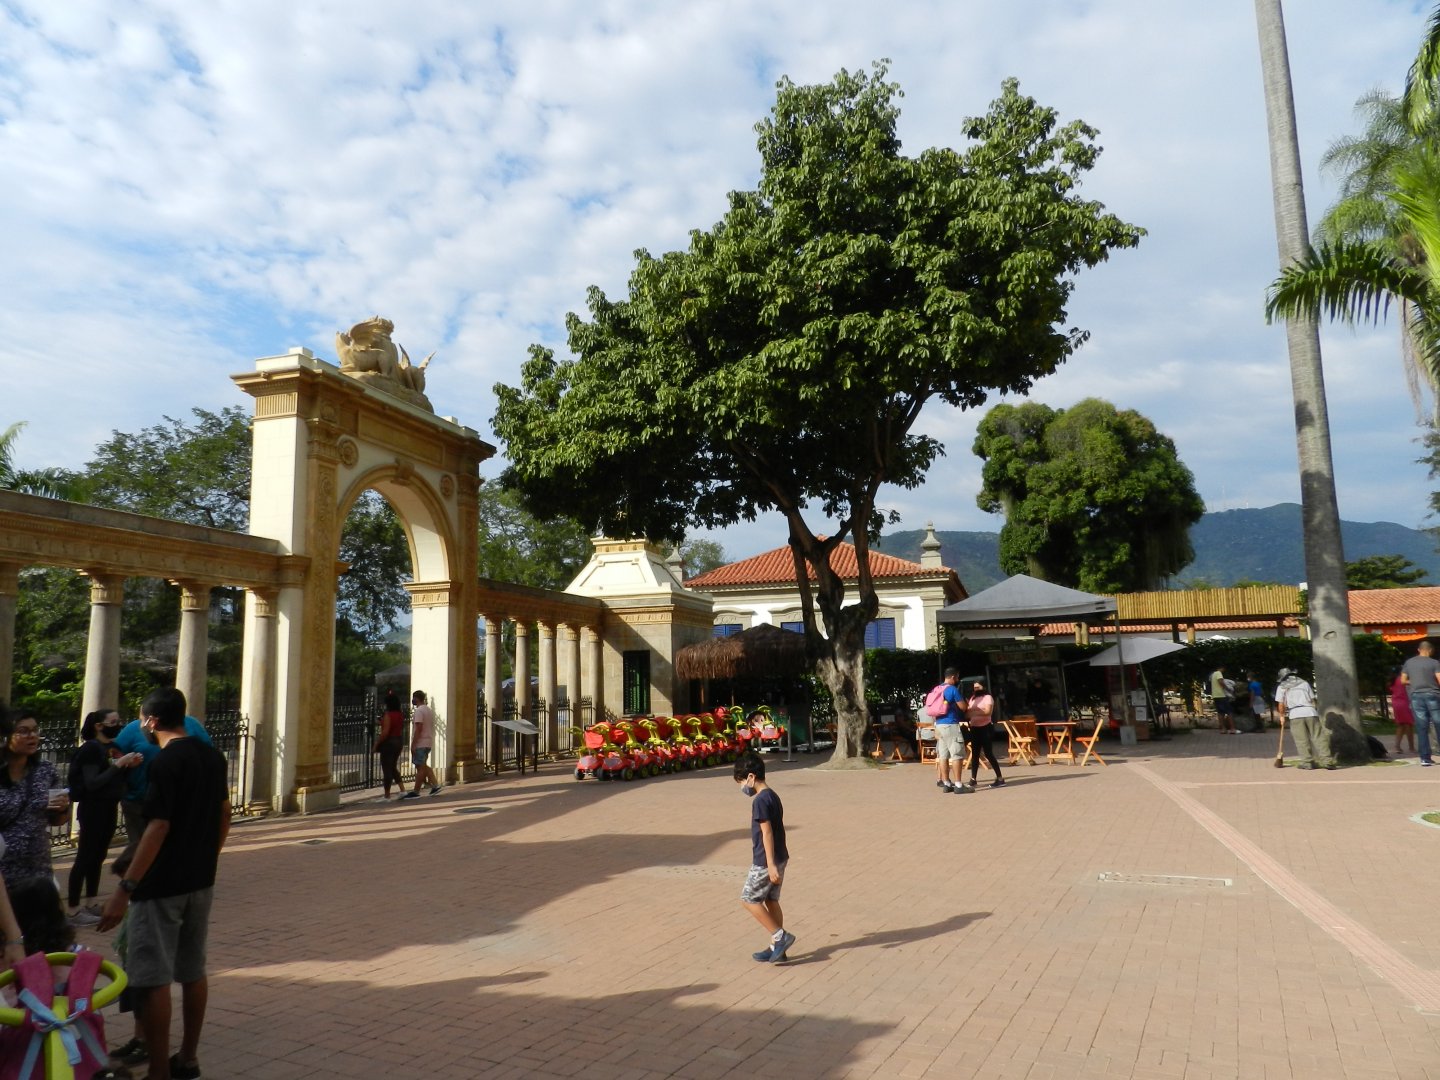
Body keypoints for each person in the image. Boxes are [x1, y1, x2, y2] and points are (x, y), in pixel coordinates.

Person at [98, 687, 230, 1080]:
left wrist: (125, 889)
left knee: (152, 977)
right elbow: (224, 813)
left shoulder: (165, 763)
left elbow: (157, 826)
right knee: (192, 970)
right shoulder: (213, 756)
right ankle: (187, 1057)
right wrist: (210, 856)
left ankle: (158, 1069)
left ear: (150, 721)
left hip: (161, 884)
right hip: (200, 879)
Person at [111, 709, 212, 876]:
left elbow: (207, 756)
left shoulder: (191, 725)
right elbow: (114, 758)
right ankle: (138, 885)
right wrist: (126, 763)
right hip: (139, 801)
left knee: (171, 846)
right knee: (140, 847)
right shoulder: (132, 729)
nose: (143, 723)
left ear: (152, 719)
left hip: (179, 802)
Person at [67, 709, 142, 926]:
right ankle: (73, 909)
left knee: (98, 856)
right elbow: (92, 783)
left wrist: (128, 765)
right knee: (85, 857)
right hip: (92, 809)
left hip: (109, 806)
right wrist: (119, 765)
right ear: (99, 726)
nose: (117, 725)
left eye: (118, 721)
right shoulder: (91, 749)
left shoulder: (113, 748)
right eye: (113, 722)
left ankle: (91, 903)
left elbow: (115, 776)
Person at [733, 749, 795, 964]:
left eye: (741, 782)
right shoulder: (773, 795)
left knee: (748, 899)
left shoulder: (759, 800)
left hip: (765, 860)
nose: (742, 787)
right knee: (771, 899)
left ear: (751, 777)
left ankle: (780, 937)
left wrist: (769, 864)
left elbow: (766, 832)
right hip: (780, 856)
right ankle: (777, 947)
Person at [0, 711, 70, 887]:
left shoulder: (45, 770)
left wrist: (62, 808)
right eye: (23, 731)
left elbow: (58, 821)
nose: (32, 735)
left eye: (35, 730)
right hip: (3, 873)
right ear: (5, 737)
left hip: (38, 871)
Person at [1275, 668, 1329, 770]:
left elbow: (1281, 704)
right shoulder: (1304, 683)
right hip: (1310, 711)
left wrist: (1282, 716)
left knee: (1301, 740)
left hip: (1295, 714)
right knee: (1318, 737)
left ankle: (1307, 762)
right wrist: (1315, 711)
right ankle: (1328, 760)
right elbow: (1312, 700)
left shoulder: (1282, 687)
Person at [1402, 640, 1440, 766]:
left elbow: (1403, 680)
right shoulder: (1435, 663)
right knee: (1438, 723)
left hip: (1416, 696)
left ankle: (1425, 758)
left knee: (1422, 727)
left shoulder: (1409, 662)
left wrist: (1414, 682)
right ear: (1430, 650)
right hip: (1433, 694)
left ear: (1419, 650)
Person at [964, 679, 1005, 789]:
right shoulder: (972, 698)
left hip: (985, 728)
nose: (975, 689)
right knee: (975, 754)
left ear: (984, 687)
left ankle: (1000, 778)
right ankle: (973, 779)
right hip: (974, 728)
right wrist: (972, 712)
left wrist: (974, 712)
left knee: (988, 753)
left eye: (978, 687)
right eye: (974, 687)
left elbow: (988, 712)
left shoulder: (988, 697)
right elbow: (967, 713)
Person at [402, 689, 442, 799]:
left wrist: (413, 744)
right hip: (428, 741)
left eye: (413, 698)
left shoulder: (419, 711)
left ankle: (416, 791)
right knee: (423, 765)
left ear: (416, 698)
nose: (412, 700)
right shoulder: (428, 710)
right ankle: (435, 785)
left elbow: (418, 728)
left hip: (421, 742)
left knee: (420, 767)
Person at [935, 669, 969, 794]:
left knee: (943, 756)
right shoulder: (952, 689)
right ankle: (959, 785)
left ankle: (946, 783)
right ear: (953, 676)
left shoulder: (937, 689)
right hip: (951, 724)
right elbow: (963, 707)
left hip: (939, 725)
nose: (958, 680)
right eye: (957, 677)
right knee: (957, 754)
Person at [373, 692, 405, 800]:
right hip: (398, 741)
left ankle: (387, 795)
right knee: (393, 767)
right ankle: (402, 790)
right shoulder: (400, 714)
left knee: (386, 768)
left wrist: (377, 744)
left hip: (389, 743)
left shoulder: (388, 715)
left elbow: (385, 732)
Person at [1390, 666, 1417, 756]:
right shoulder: (1403, 680)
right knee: (1409, 725)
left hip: (1396, 703)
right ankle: (1411, 747)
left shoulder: (1393, 680)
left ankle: (1397, 746)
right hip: (1404, 703)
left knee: (1401, 725)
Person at [1208, 666, 1236, 734]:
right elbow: (1221, 682)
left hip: (1215, 695)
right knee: (1229, 712)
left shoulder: (1212, 675)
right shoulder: (1218, 673)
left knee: (1220, 713)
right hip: (1221, 695)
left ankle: (1223, 729)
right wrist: (1227, 688)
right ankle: (1232, 729)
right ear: (1222, 668)